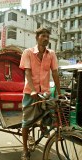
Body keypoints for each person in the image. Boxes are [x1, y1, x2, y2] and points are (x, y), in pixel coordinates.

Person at [19, 28, 61, 160]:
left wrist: (59, 93)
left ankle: (42, 124)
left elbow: (54, 73)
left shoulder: (51, 54)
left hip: (46, 93)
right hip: (30, 93)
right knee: (26, 123)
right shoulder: (28, 52)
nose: (46, 38)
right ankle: (25, 149)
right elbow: (27, 72)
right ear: (37, 37)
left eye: (48, 36)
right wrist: (32, 90)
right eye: (43, 36)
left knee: (52, 113)